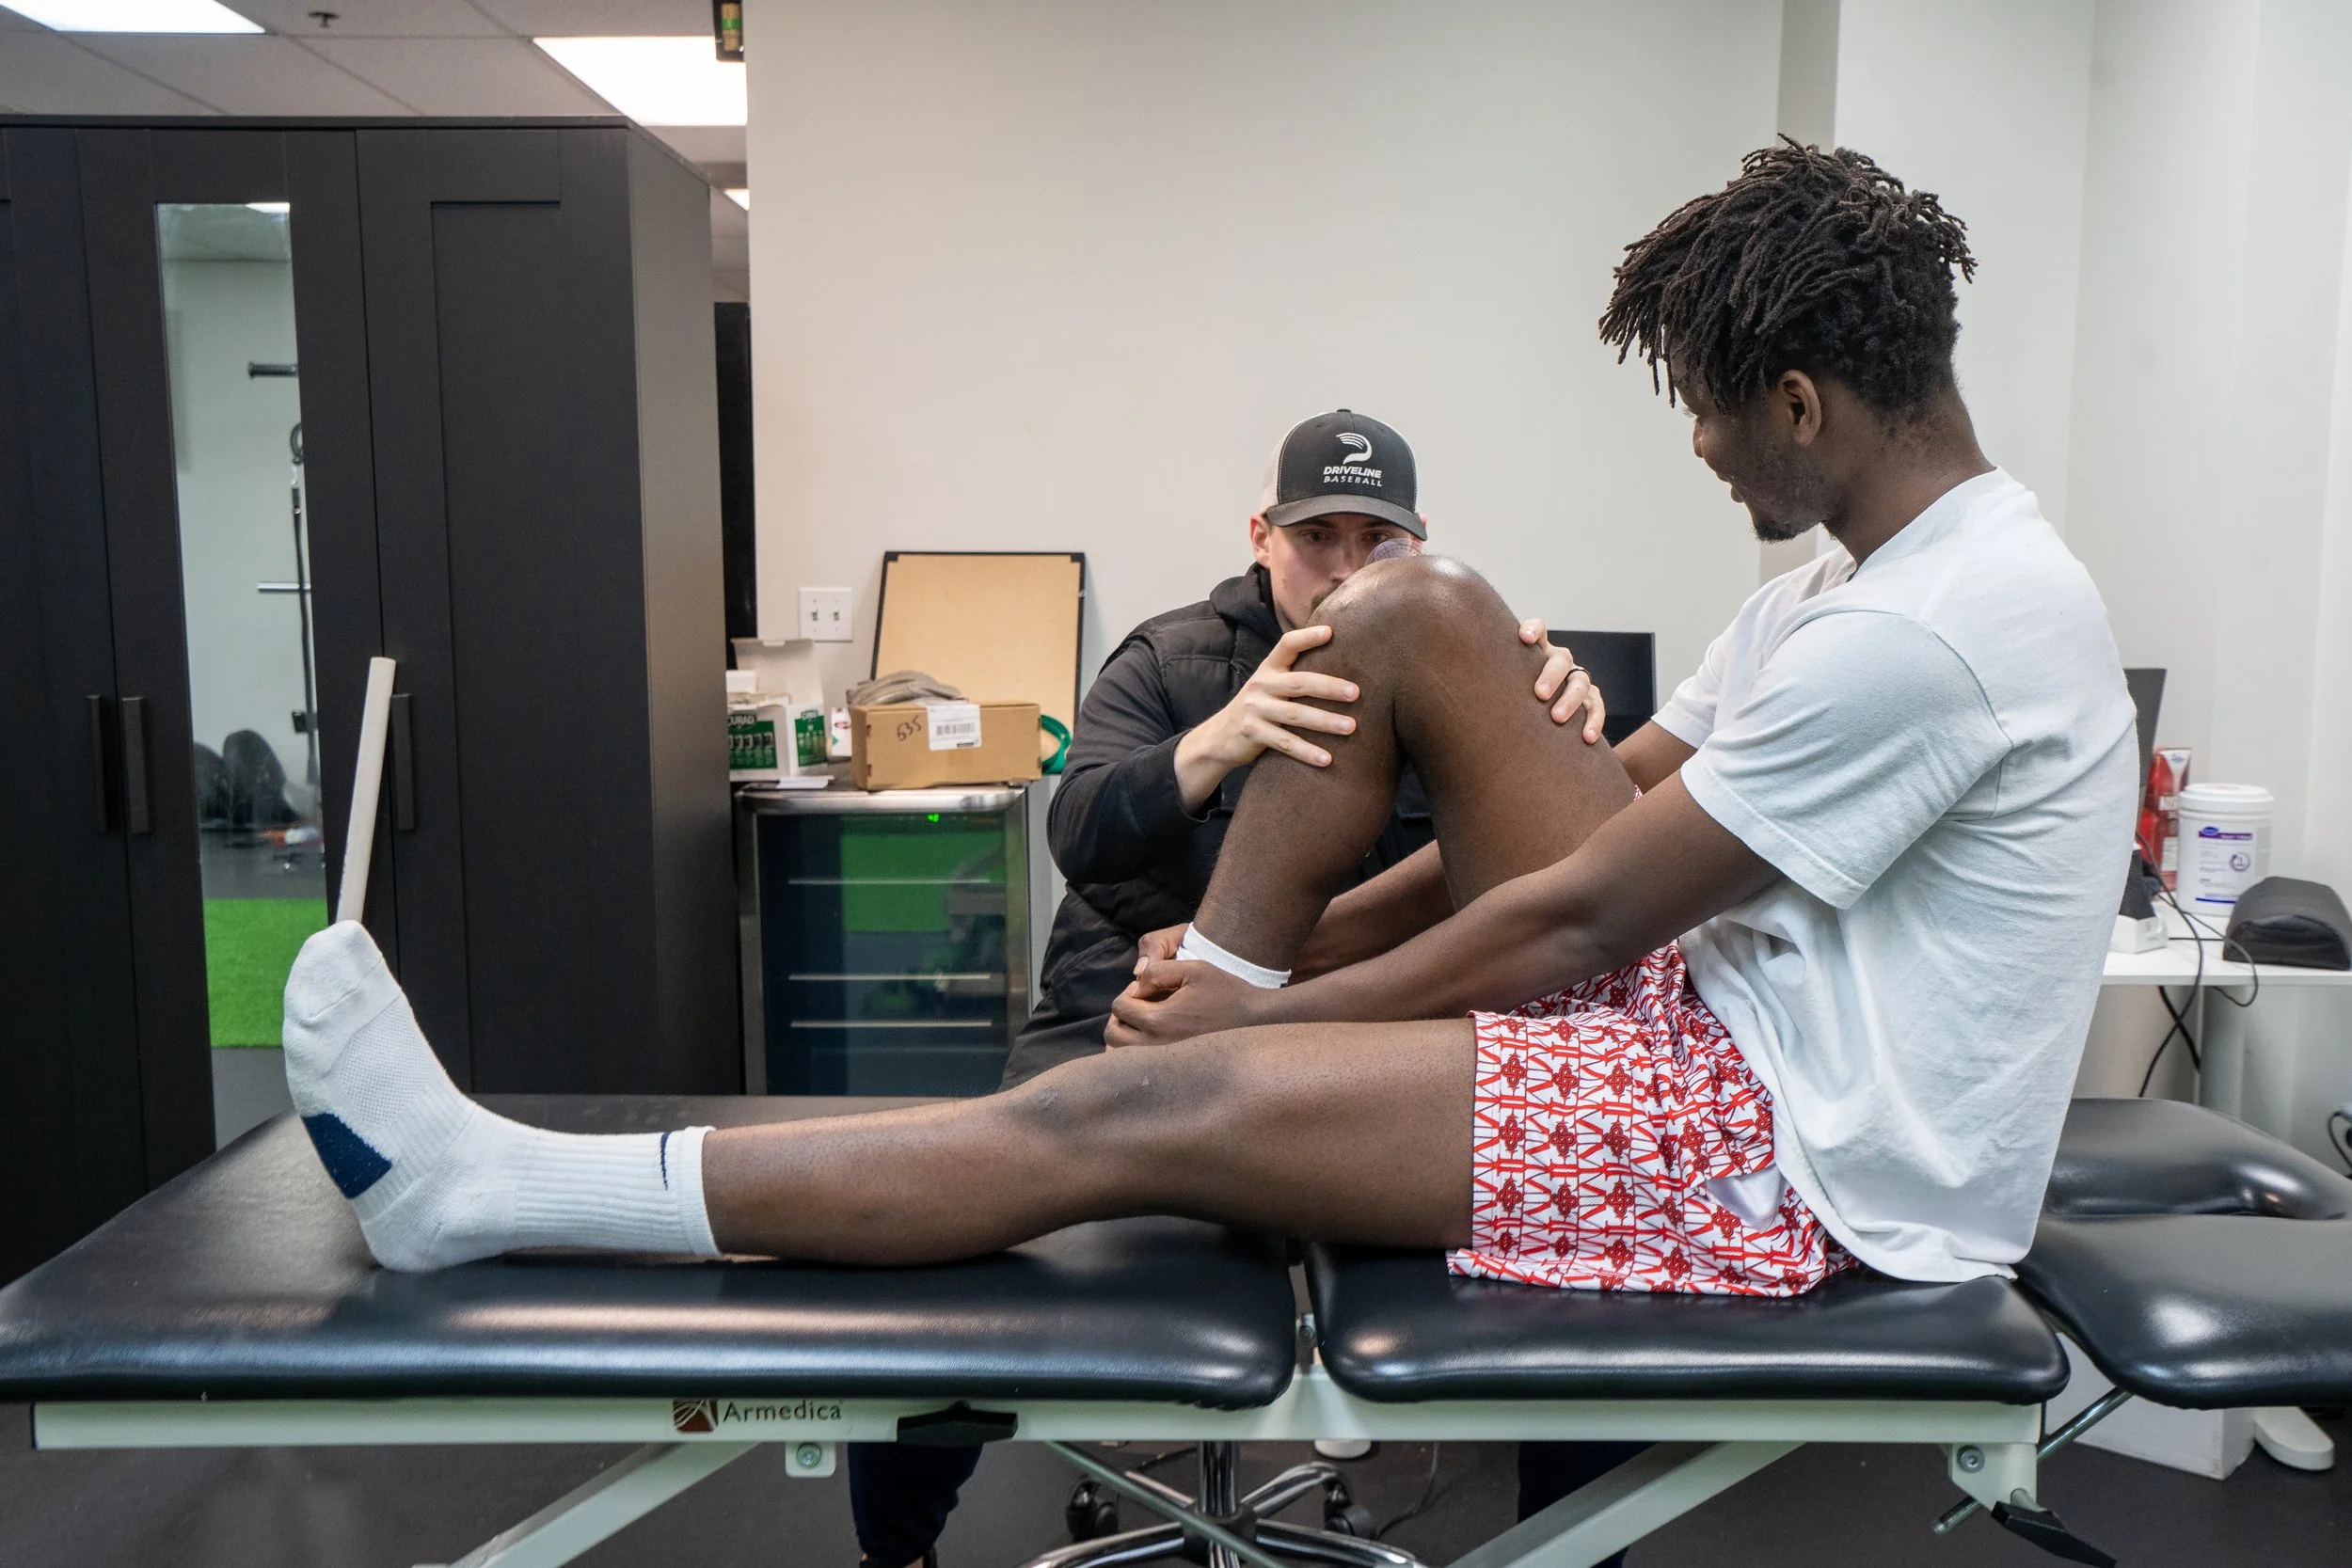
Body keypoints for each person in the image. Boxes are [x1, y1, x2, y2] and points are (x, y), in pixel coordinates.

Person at [279, 131, 2137, 1448]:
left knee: (1129, 1104)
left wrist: (1265, 1030)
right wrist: (1270, 968)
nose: (1708, 449)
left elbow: (1583, 909)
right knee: (1419, 609)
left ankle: (494, 1187)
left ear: (1800, 400)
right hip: (1717, 1030)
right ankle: (1204, 1013)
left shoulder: (1944, 628)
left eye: (1713, 412)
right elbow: (1614, 807)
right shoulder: (1842, 593)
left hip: (1791, 1168)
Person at [847, 408, 1612, 1568]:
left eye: (1377, 541)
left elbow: (1560, 881)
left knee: (1574, 1239)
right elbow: (1077, 827)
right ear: (1261, 536)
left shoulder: (1456, 657)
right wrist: (1215, 741)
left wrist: (1562, 730)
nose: (1345, 569)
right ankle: (895, 1548)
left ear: (1417, 544)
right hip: (1123, 1014)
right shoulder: (1167, 657)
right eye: (1317, 538)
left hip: (1352, 1031)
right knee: (957, 1242)